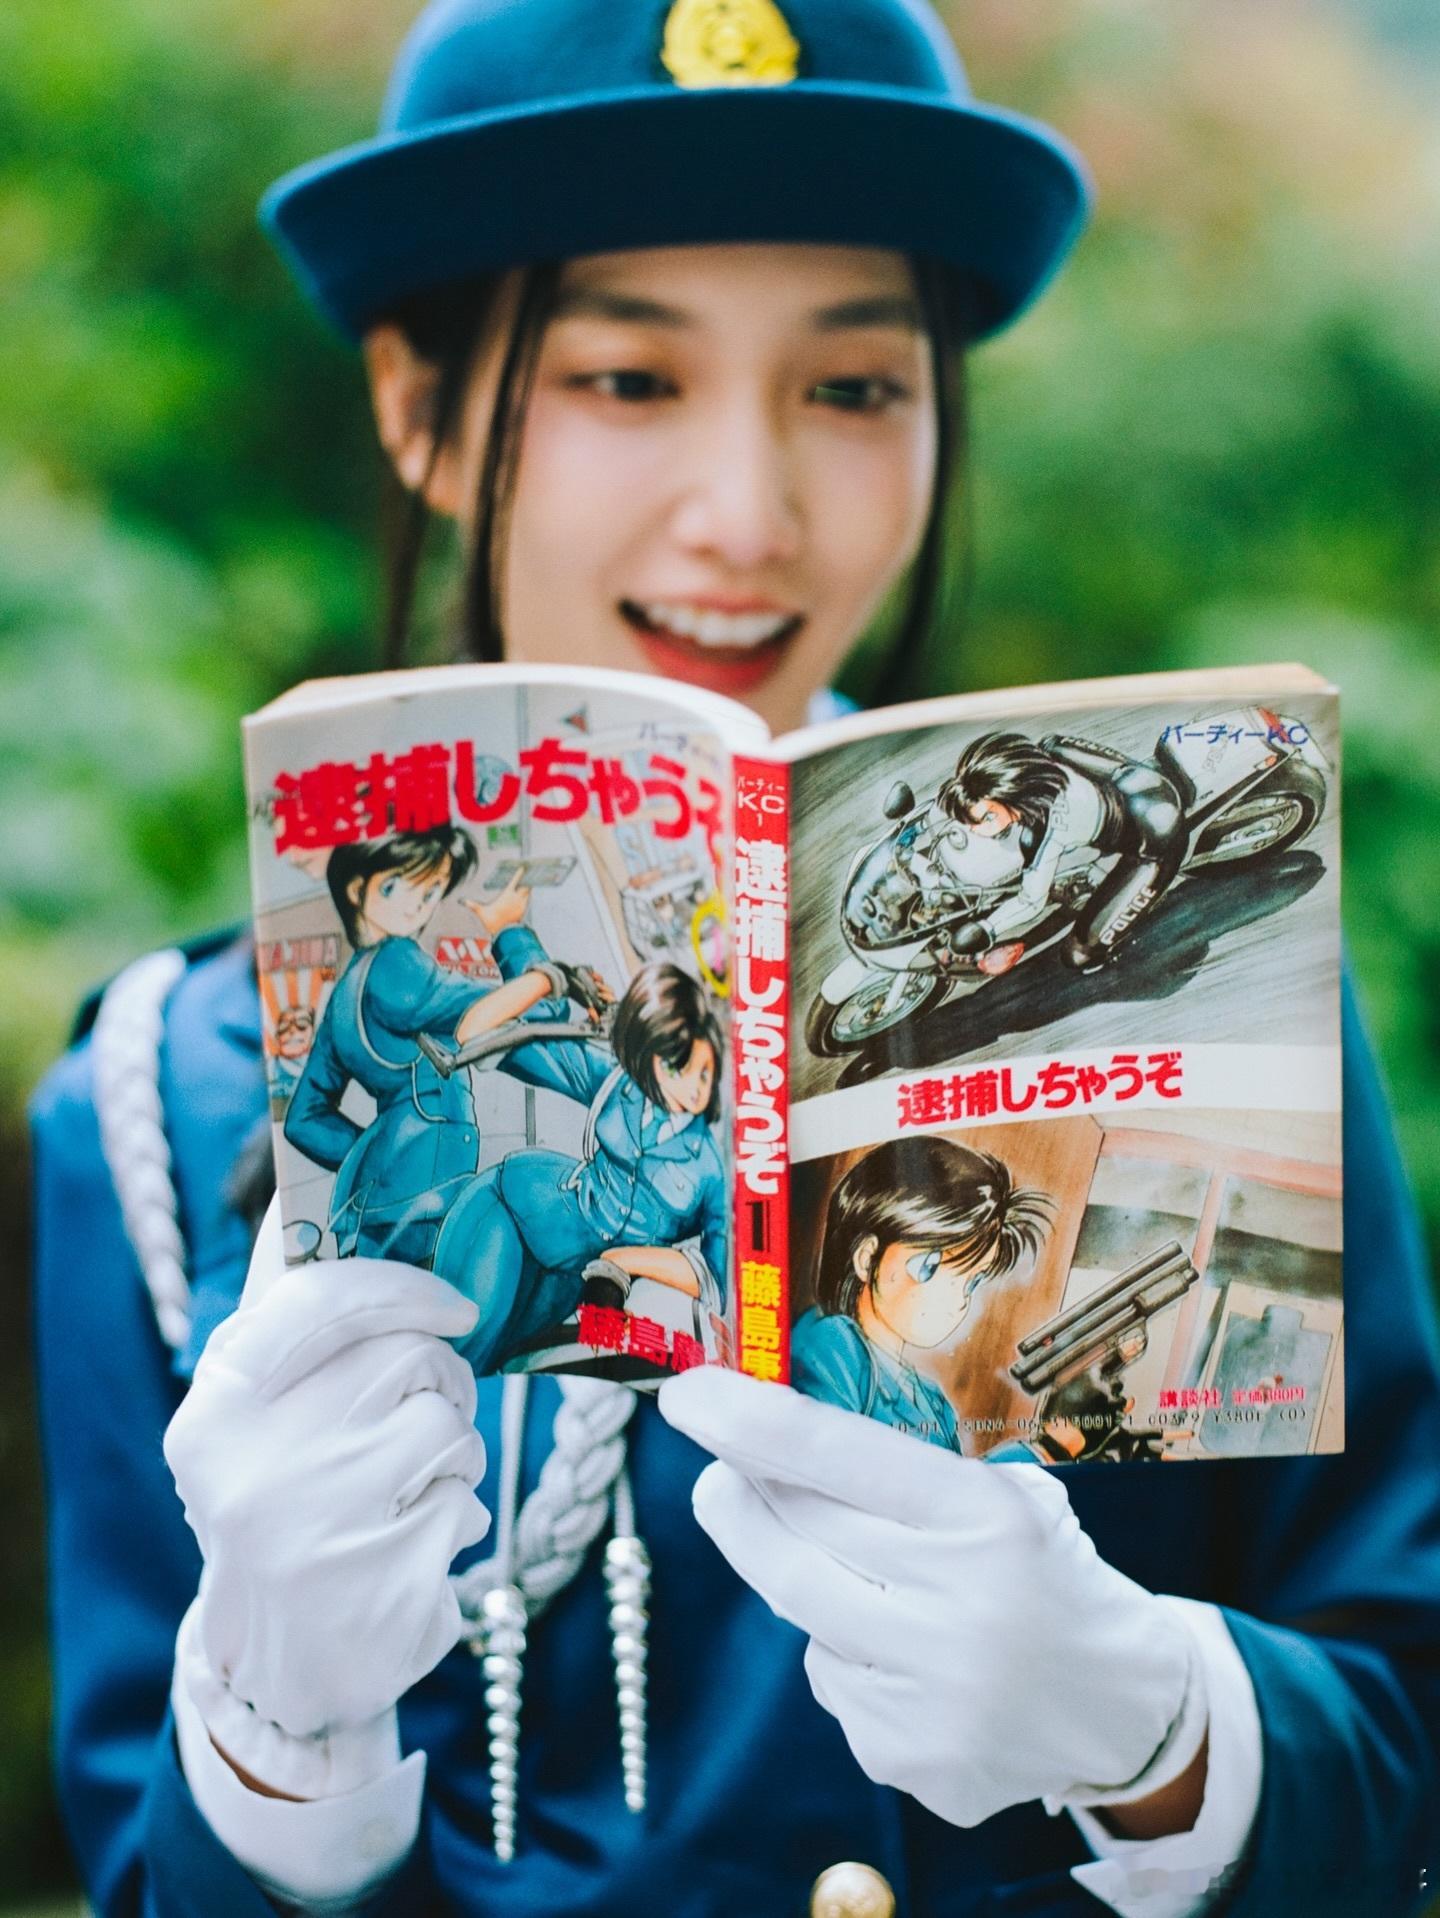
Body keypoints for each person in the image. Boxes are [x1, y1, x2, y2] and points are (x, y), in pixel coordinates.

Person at [28, 1, 1440, 1915]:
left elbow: (1399, 1706)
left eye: (854, 387)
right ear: (418, 407)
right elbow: (135, 1860)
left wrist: (1161, 1723)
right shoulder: (159, 1098)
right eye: (627, 377)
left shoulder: (1201, 999)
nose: (751, 517)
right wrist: (279, 1737)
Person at [430, 961, 728, 1373]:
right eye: (678, 1066)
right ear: (650, 1052)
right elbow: (474, 1032)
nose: (695, 1088)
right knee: (461, 1355)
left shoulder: (712, 1167)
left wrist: (623, 1260)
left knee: (501, 1367)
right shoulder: (614, 1083)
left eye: (706, 1073)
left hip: (573, 1279)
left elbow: (714, 1277)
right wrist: (554, 978)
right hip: (511, 1214)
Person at [789, 1134, 1054, 1448]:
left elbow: (953, 1476)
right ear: (867, 1258)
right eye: (929, 1267)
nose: (957, 1299)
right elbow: (839, 1461)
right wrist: (1042, 1451)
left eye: (972, 1281)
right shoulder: (833, 1346)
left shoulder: (934, 1401)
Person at [915, 728, 1186, 977]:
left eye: (987, 818)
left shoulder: (1047, 833)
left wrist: (988, 928)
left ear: (1010, 794)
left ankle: (1139, 952)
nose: (977, 830)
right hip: (1131, 779)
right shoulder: (1044, 754)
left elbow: (1031, 902)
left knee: (1079, 955)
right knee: (1053, 743)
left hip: (1155, 835)